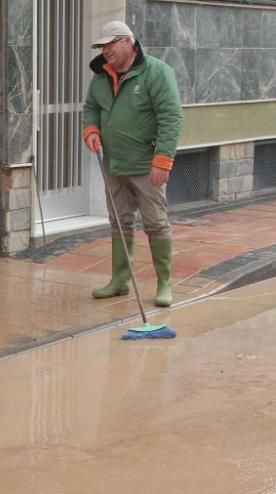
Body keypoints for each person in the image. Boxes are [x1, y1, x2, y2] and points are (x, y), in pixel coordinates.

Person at [82, 21, 182, 307]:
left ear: (128, 42)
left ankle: (164, 283)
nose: (105, 50)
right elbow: (91, 109)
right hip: (113, 163)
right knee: (119, 221)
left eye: (110, 44)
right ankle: (119, 281)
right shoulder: (100, 77)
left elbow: (171, 118)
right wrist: (91, 131)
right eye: (102, 46)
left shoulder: (157, 73)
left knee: (155, 223)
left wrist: (163, 160)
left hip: (146, 164)